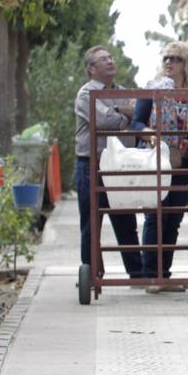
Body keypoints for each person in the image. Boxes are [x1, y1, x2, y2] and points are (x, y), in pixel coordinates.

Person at [130, 41, 188, 292]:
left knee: (173, 219)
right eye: (166, 58)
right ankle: (152, 276)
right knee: (155, 216)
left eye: (175, 58)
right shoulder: (153, 89)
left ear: (187, 64)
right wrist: (151, 133)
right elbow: (137, 123)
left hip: (184, 162)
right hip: (157, 160)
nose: (169, 63)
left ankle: (165, 275)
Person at [73, 46, 142, 278]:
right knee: (91, 222)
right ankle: (91, 273)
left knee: (125, 219)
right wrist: (124, 113)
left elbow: (139, 115)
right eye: (103, 59)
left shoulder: (123, 91)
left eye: (110, 57)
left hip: (120, 166)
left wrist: (122, 112)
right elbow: (102, 120)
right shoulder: (85, 94)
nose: (110, 61)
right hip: (91, 165)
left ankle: (137, 273)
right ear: (91, 69)